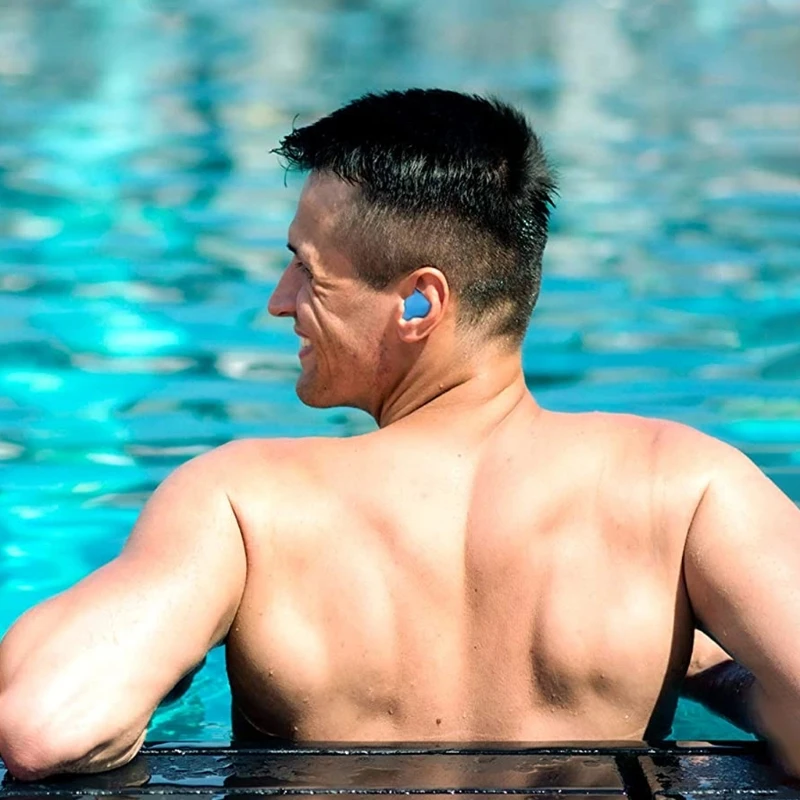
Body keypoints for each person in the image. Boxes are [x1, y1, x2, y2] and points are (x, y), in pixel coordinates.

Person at [1, 88, 799, 781]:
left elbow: (47, 724)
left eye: (308, 270)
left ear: (420, 303)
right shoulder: (682, 487)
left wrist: (171, 653)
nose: (280, 301)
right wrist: (710, 673)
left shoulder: (246, 505)